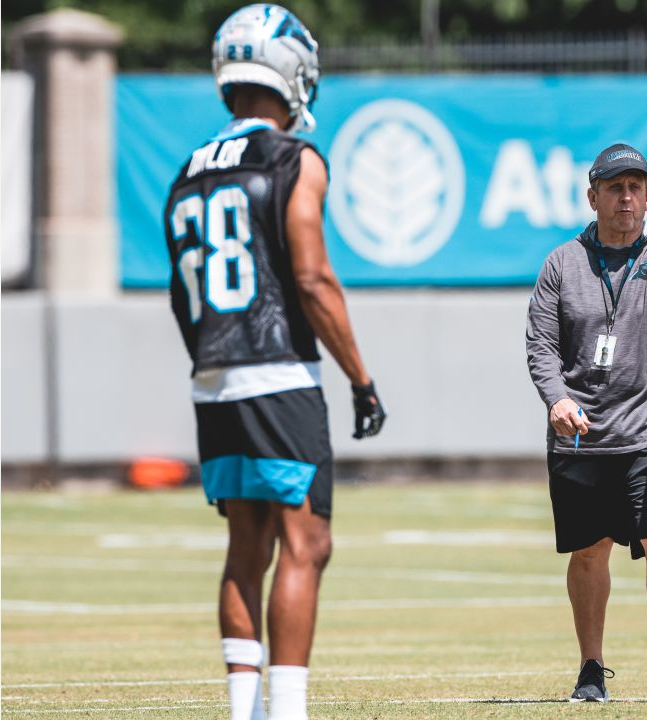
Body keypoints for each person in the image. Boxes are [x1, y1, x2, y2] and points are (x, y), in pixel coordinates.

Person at [163, 5, 386, 719]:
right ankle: (286, 712)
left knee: (244, 546)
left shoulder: (187, 170)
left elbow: (180, 295)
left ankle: (244, 710)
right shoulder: (295, 158)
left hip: (214, 377)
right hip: (280, 374)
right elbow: (314, 278)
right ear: (289, 70)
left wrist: (210, 365)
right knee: (306, 542)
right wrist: (360, 378)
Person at [525, 143, 647, 704]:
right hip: (583, 434)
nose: (627, 197)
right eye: (615, 188)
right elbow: (540, 345)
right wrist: (556, 399)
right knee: (590, 551)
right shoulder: (561, 263)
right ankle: (592, 670)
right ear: (593, 197)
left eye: (636, 186)